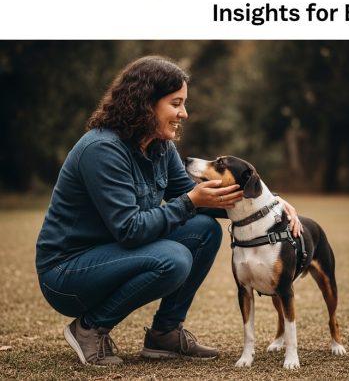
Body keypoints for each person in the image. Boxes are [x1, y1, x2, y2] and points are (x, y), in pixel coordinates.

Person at [35, 56, 303, 366]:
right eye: (176, 103)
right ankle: (90, 329)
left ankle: (165, 334)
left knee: (204, 230)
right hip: (68, 273)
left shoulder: (159, 146)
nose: (184, 114)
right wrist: (191, 200)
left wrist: (270, 203)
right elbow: (131, 229)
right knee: (173, 260)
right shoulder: (102, 150)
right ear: (146, 102)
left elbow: (201, 200)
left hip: (114, 253)